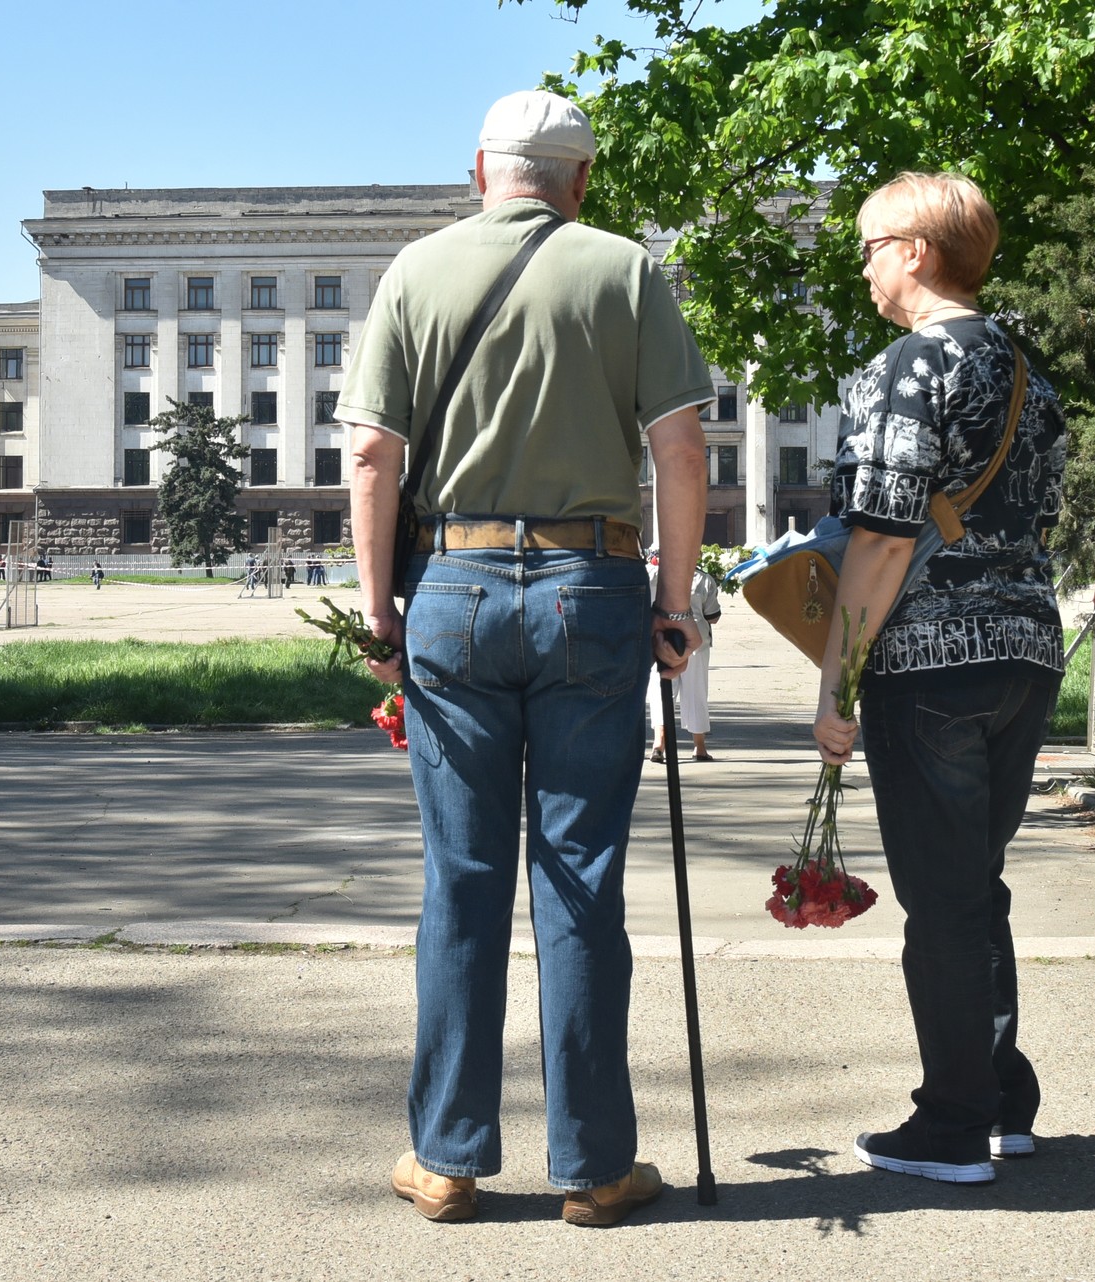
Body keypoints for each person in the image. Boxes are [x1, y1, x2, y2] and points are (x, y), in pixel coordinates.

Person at [337, 89, 711, 1227]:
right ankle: (595, 1167)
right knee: (580, 876)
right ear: (581, 179)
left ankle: (447, 1157)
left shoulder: (416, 272)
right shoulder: (624, 270)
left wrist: (378, 612)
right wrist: (673, 595)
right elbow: (682, 446)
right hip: (590, 588)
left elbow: (369, 454)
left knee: (461, 879)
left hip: (450, 588)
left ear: (479, 171)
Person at [815, 172, 1067, 1185]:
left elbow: (879, 540)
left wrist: (836, 681)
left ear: (915, 251)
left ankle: (954, 1122)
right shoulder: (1025, 373)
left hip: (928, 661)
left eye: (873, 245)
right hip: (1025, 653)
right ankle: (1003, 1098)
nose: (865, 265)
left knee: (943, 897)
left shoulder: (907, 367)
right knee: (975, 884)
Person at [646, 557, 721, 763]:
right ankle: (699, 747)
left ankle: (659, 744)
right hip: (695, 643)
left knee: (660, 693)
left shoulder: (652, 576)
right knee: (696, 693)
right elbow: (713, 615)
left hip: (660, 641)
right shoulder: (703, 580)